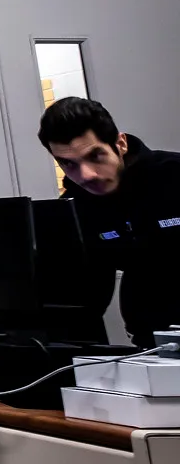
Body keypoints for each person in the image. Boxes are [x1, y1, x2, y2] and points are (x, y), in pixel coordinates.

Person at [41, 96, 180, 346]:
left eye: (96, 156)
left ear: (121, 144)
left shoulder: (174, 175)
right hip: (153, 343)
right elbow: (83, 300)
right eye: (68, 164)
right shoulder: (75, 208)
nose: (86, 175)